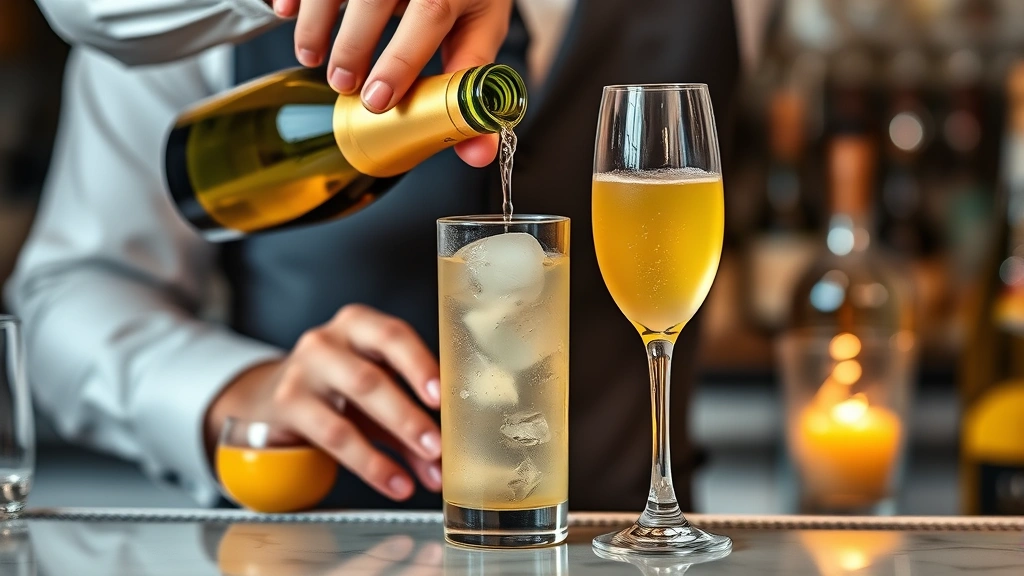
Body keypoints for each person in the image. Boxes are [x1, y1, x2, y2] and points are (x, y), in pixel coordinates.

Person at [8, 0, 754, 510]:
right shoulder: (187, 28)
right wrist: (235, 391)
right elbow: (72, 290)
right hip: (332, 549)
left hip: (621, 549)